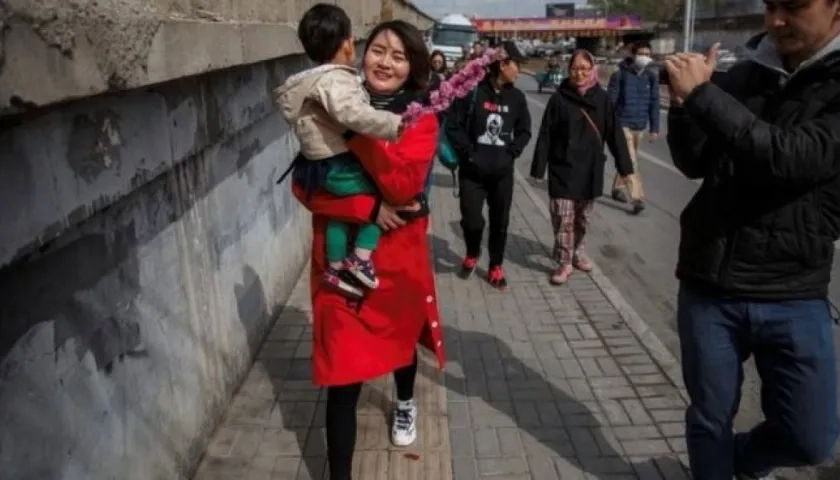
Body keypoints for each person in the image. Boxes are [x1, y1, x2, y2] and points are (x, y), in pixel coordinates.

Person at [664, 0, 840, 477]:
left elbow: (793, 158)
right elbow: (694, 161)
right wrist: (683, 104)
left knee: (812, 437)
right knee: (709, 418)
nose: (777, 21)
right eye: (771, 7)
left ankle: (739, 462)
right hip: (710, 282)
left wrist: (703, 97)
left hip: (794, 290)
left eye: (794, 7)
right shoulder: (745, 75)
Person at [291, 20, 445, 480]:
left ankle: (404, 400)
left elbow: (404, 185)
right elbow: (304, 185)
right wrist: (367, 207)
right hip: (339, 268)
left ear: (412, 67)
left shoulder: (420, 115)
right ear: (359, 51)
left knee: (401, 346)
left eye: (399, 57)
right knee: (341, 375)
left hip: (395, 262)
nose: (385, 62)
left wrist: (355, 133)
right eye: (379, 50)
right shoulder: (333, 96)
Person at [275, 4, 405, 297]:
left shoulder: (313, 80)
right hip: (337, 163)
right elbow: (353, 114)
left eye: (397, 56)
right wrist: (395, 124)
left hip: (320, 165)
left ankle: (334, 267)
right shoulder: (336, 80)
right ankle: (360, 260)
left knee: (339, 217)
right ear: (348, 43)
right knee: (380, 195)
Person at [530, 49, 634, 285]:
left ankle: (577, 252)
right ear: (569, 71)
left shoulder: (602, 99)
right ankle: (565, 262)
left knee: (582, 219)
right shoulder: (559, 98)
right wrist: (539, 167)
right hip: (562, 168)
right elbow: (546, 134)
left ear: (592, 70)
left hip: (590, 169)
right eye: (575, 69)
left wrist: (625, 167)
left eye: (584, 69)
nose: (579, 74)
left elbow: (614, 134)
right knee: (562, 218)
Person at [446, 40, 532, 290]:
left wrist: (511, 153)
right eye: (517, 65)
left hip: (502, 175)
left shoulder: (517, 98)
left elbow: (525, 131)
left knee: (500, 222)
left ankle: (496, 265)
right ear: (503, 64)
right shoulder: (472, 92)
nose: (519, 70)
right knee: (472, 221)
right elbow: (453, 126)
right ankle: (472, 253)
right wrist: (469, 154)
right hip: (472, 174)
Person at [606, 40, 660, 215]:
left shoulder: (650, 77)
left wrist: (654, 128)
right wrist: (608, 124)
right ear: (634, 55)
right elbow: (611, 102)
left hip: (640, 126)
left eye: (647, 54)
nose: (644, 57)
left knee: (629, 159)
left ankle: (617, 188)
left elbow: (654, 103)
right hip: (623, 124)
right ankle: (637, 199)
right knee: (631, 161)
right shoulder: (620, 76)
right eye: (641, 54)